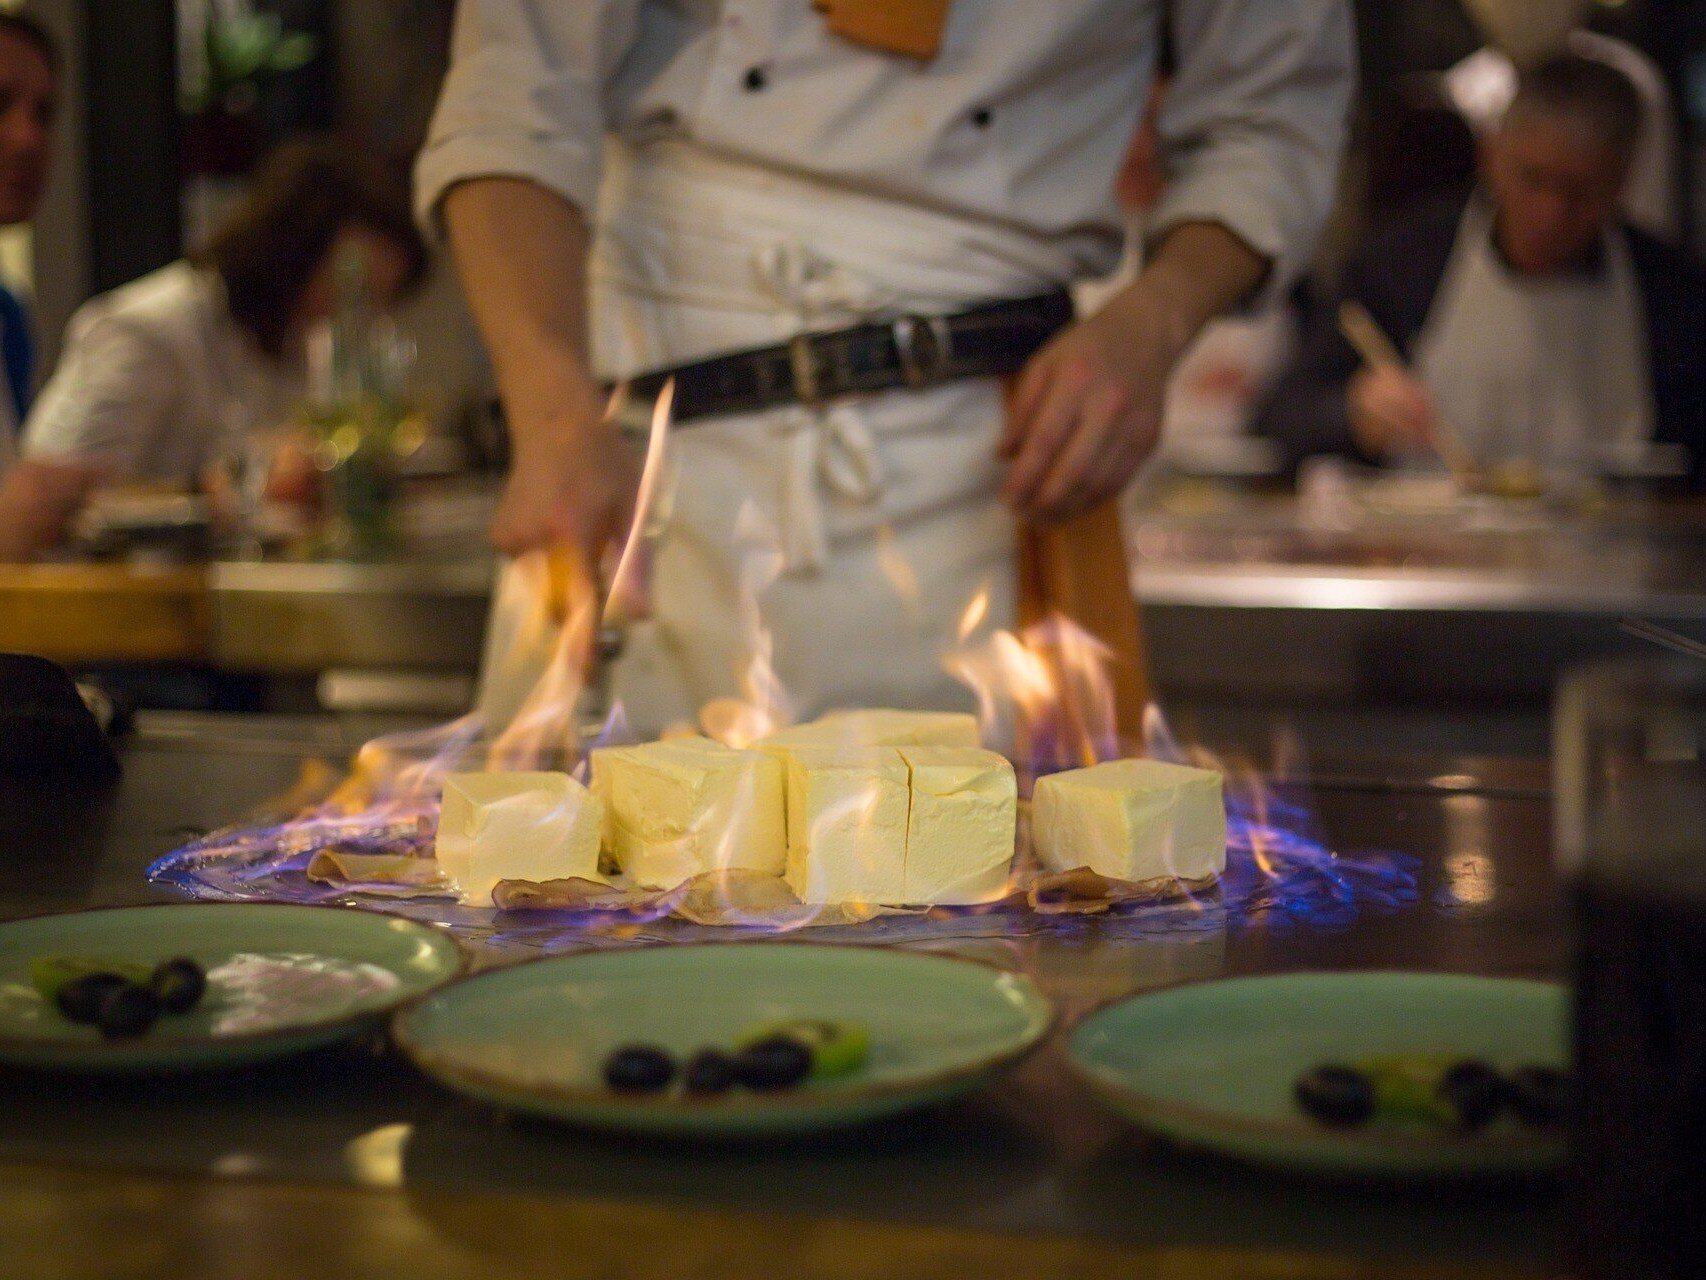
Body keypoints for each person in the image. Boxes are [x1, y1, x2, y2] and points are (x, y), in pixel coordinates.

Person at [419, 2, 1354, 732]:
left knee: (969, 933)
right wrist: (551, 415)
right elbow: (512, 85)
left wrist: (1152, 323)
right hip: (642, 467)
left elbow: (1269, 116)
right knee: (582, 931)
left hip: (986, 471)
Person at [1257, 54, 1706, 489]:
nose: (1551, 213)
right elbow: (1282, 416)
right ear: (1491, 156)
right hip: (1431, 551)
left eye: (1579, 191)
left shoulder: (1669, 291)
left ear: (1622, 181)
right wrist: (1351, 414)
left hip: (1615, 553)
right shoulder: (1401, 263)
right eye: (1534, 179)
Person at [2, 136, 428, 559]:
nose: (360, 319)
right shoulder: (146, 330)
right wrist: (208, 489)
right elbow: (41, 501)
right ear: (297, 248)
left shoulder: (293, 339)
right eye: (356, 291)